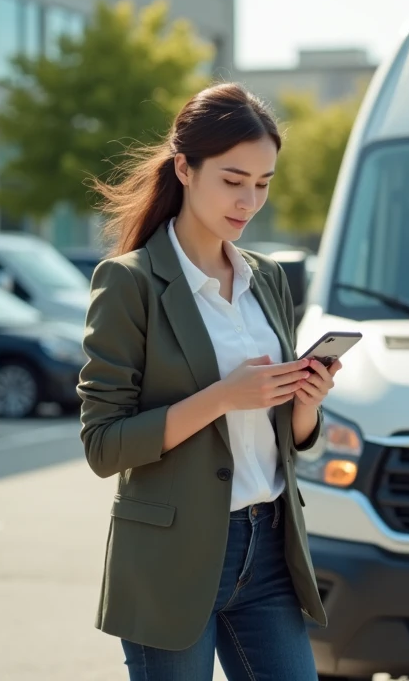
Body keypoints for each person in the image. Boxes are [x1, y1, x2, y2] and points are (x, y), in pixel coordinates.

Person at [77, 82, 337, 680]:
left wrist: (304, 405)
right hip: (172, 556)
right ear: (184, 169)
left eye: (263, 184)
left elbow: (284, 435)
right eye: (233, 179)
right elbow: (103, 445)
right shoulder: (129, 284)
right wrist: (222, 398)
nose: (249, 200)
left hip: (269, 547)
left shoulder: (267, 277)